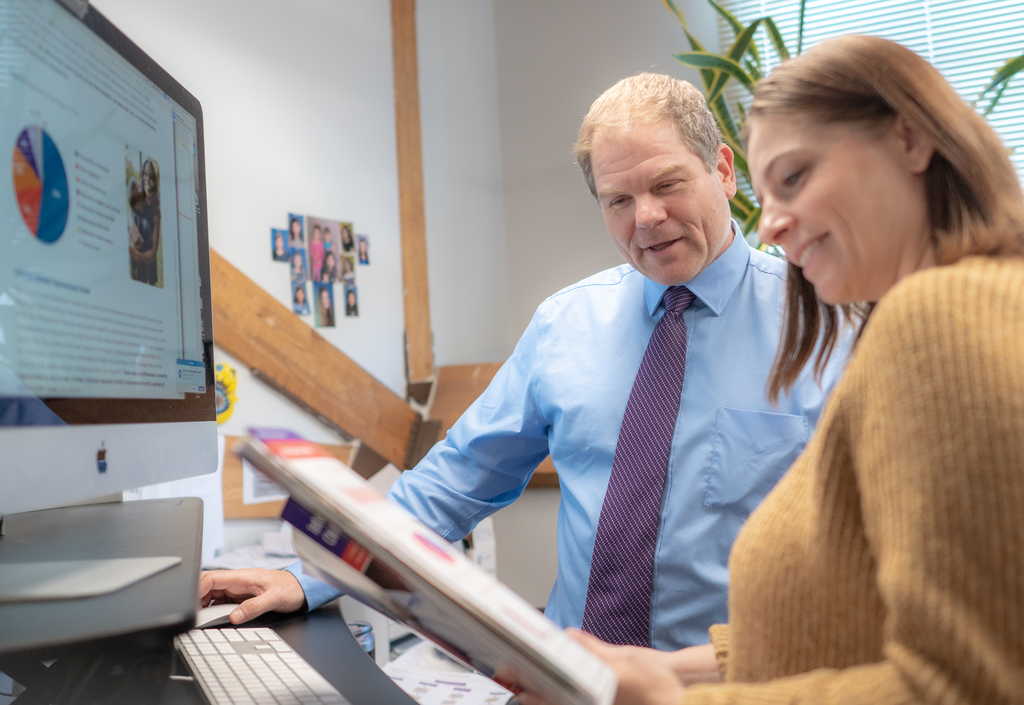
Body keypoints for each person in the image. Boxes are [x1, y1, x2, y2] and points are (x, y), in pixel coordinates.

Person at [199, 73, 847, 652]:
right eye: (618, 199)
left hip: (731, 686)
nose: (646, 217)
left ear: (724, 171)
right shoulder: (564, 326)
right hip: (572, 680)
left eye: (668, 183)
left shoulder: (827, 324)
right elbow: (452, 483)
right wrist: (311, 574)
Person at [515, 36, 1024, 705]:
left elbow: (964, 685)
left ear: (909, 141)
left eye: (793, 178)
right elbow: (856, 617)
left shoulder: (937, 320)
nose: (774, 226)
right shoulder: (947, 311)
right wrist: (674, 670)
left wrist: (669, 701)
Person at [128, 158, 160, 285]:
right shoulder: (137, 203)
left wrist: (136, 255)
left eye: (150, 176)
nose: (147, 179)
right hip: (136, 271)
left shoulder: (156, 212)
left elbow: (153, 253)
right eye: (145, 175)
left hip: (148, 270)